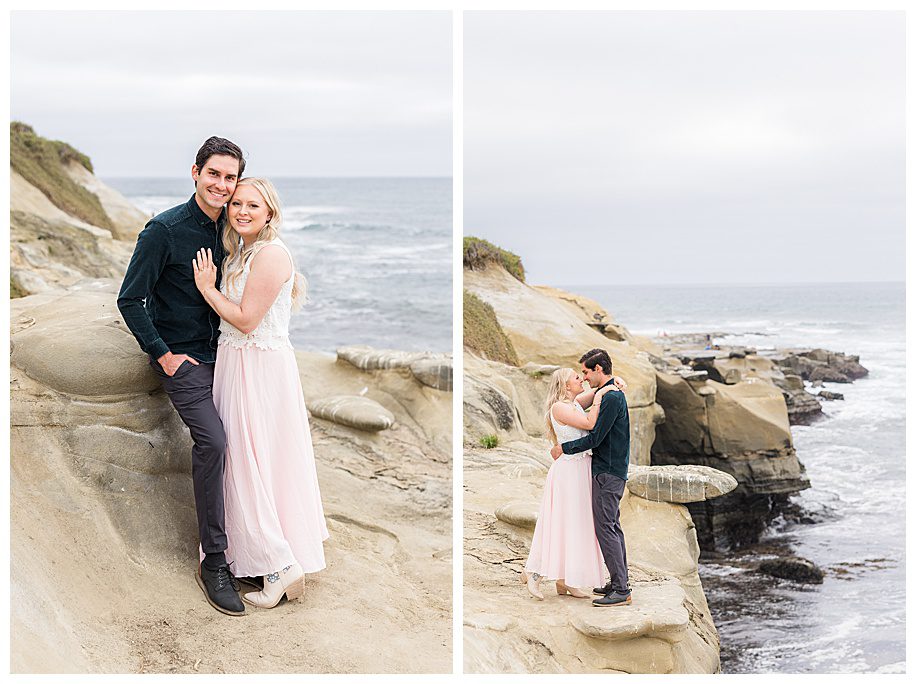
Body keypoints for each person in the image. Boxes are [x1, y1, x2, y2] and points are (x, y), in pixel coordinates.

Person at [117, 136, 246, 616]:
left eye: (230, 177)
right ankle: (214, 561)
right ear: (195, 173)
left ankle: (251, 548)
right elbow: (130, 299)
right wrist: (164, 356)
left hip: (231, 355)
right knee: (213, 441)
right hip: (185, 359)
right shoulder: (164, 230)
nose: (222, 184)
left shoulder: (235, 231)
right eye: (214, 174)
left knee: (248, 440)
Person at [192, 177, 328, 609]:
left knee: (247, 462)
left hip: (258, 368)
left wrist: (208, 289)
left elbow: (247, 319)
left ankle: (279, 564)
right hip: (240, 363)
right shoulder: (243, 252)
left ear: (270, 213)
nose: (243, 210)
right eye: (237, 203)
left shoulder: (270, 254)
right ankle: (268, 553)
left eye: (254, 205)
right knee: (257, 462)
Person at [522, 368, 619, 600]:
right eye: (576, 378)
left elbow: (597, 390)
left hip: (581, 468)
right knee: (560, 523)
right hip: (568, 471)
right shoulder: (559, 407)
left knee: (576, 524)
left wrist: (613, 382)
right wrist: (600, 396)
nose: (582, 379)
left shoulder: (573, 402)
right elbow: (588, 422)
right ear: (566, 386)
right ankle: (534, 573)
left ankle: (565, 581)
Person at [550, 348, 632, 607]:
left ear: (598, 369)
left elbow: (595, 437)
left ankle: (621, 589)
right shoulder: (609, 393)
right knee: (612, 526)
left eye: (585, 372)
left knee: (605, 528)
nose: (583, 377)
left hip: (607, 471)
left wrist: (564, 448)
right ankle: (618, 582)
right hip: (611, 469)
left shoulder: (610, 398)